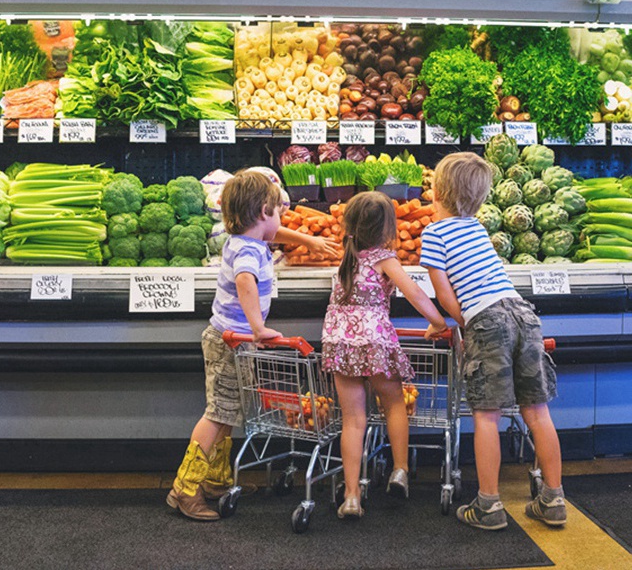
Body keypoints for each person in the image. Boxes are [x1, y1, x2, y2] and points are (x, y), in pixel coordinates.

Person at [167, 169, 339, 521]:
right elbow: (245, 281)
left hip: (232, 339)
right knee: (217, 414)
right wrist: (258, 328)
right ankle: (184, 489)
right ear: (264, 211)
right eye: (277, 210)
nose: (280, 217)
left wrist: (309, 242)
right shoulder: (249, 253)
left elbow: (274, 232)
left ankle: (215, 479)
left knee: (228, 411)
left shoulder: (246, 240)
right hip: (231, 341)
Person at [420, 151, 566, 530]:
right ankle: (553, 499)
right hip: (523, 312)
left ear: (437, 190)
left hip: (486, 320)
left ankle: (488, 506)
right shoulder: (478, 227)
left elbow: (446, 294)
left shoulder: (434, 233)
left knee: (486, 415)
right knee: (537, 412)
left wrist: (455, 323)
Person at [322, 191, 448, 519]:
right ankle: (400, 470)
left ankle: (351, 496)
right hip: (374, 341)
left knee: (352, 419)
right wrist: (437, 321)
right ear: (387, 228)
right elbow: (415, 292)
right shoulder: (384, 258)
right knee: (393, 403)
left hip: (340, 343)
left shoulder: (345, 259)